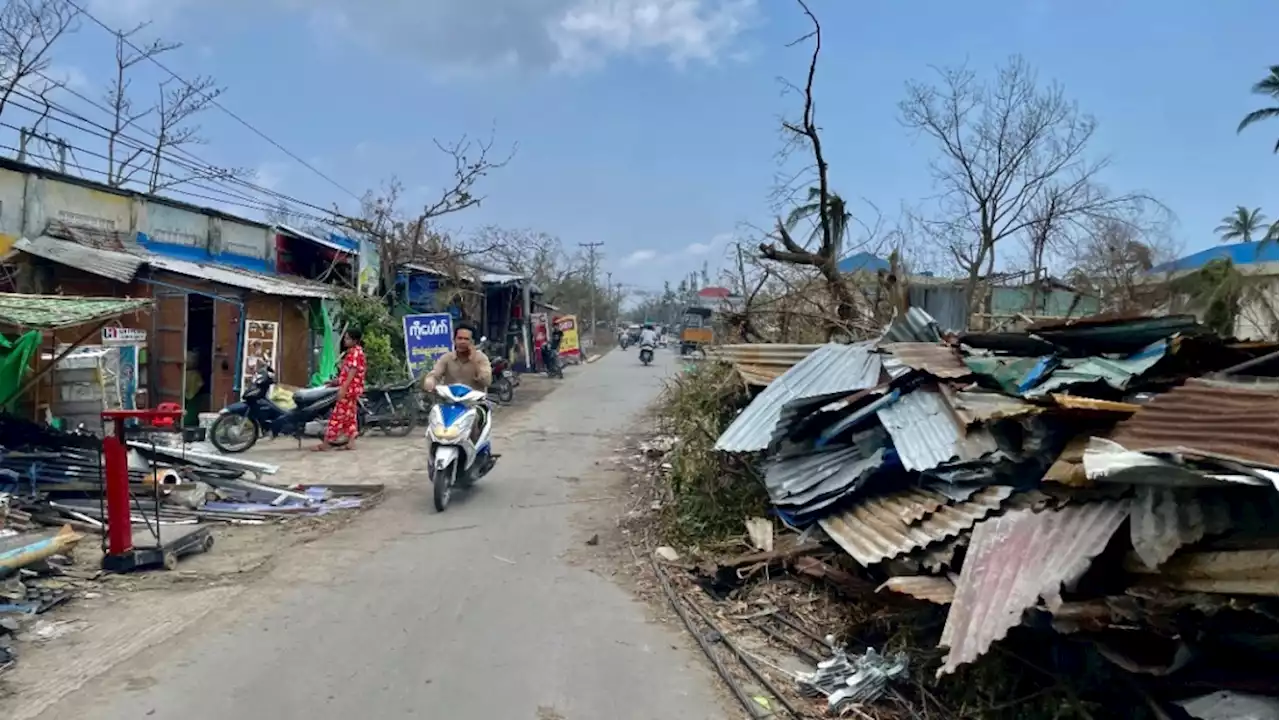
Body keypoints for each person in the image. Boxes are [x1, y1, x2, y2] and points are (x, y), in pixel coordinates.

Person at [315, 328, 366, 452]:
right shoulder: (354, 352)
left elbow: (352, 372)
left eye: (348, 338)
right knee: (350, 416)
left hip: (349, 390)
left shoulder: (354, 353)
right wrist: (334, 382)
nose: (345, 340)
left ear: (355, 340)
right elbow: (346, 373)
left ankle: (327, 442)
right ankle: (351, 441)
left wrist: (343, 389)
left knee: (337, 415)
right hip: (352, 389)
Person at [423, 322, 492, 393]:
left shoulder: (481, 358)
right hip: (451, 400)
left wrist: (474, 360)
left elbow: (487, 382)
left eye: (466, 339)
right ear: (454, 340)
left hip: (475, 402)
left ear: (473, 342)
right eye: (459, 338)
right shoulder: (447, 358)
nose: (462, 342)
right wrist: (430, 382)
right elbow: (435, 374)